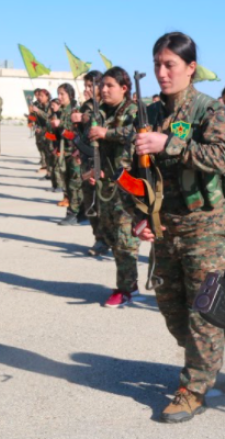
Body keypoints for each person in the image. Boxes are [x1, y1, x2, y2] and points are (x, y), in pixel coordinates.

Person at [132, 31, 225, 423]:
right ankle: (205, 356)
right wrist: (140, 215)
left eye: (169, 64)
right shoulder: (152, 113)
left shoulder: (210, 111)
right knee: (171, 307)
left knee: (200, 311)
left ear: (191, 68)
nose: (161, 72)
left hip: (203, 225)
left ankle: (194, 386)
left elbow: (221, 157)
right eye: (157, 64)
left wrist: (168, 145)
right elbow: (136, 174)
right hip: (163, 225)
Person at [87, 67, 141, 306]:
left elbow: (137, 132)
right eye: (102, 85)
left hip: (128, 184)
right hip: (107, 183)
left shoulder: (133, 110)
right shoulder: (101, 113)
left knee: (124, 238)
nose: (104, 90)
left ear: (124, 88)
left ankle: (127, 288)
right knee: (110, 233)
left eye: (110, 85)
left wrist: (107, 133)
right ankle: (128, 282)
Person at [72, 71, 106, 249]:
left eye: (90, 85)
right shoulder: (85, 105)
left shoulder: (105, 105)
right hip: (86, 160)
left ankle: (107, 238)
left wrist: (85, 118)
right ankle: (98, 237)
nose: (87, 89)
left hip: (102, 160)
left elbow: (102, 121)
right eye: (85, 85)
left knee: (103, 201)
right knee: (89, 200)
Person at [51, 84, 84, 225]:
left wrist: (61, 125)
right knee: (68, 183)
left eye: (62, 94)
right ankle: (76, 211)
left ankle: (75, 213)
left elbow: (75, 134)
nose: (59, 97)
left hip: (74, 152)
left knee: (74, 184)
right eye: (58, 94)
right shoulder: (62, 111)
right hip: (65, 152)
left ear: (70, 95)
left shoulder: (75, 111)